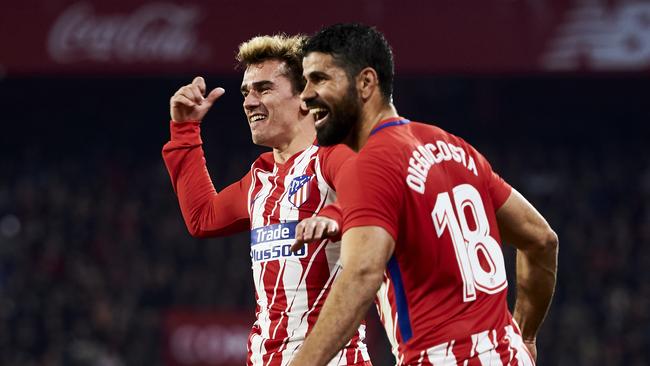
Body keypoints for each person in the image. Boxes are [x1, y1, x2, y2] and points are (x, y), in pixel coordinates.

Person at [289, 24, 558, 366]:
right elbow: (541, 240)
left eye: (319, 79)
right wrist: (526, 333)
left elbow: (361, 275)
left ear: (366, 82)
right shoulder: (454, 147)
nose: (305, 95)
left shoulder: (370, 164)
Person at [162, 34, 371, 366]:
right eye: (246, 92)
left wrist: (335, 213)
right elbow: (202, 217)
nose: (248, 101)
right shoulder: (260, 180)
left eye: (263, 89)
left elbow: (370, 195)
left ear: (305, 97)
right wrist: (185, 129)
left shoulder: (330, 158)